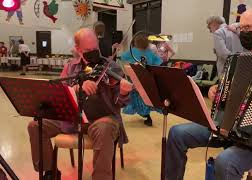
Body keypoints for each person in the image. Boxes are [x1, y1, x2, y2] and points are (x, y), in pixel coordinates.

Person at [165, 7, 252, 180]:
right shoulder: (240, 59)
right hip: (231, 127)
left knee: (226, 162)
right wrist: (217, 93)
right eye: (241, 28)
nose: (242, 33)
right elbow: (228, 95)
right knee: (177, 134)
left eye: (248, 28)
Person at [27, 28, 133, 180]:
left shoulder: (112, 67)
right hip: (73, 118)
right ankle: (50, 172)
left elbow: (121, 102)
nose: (93, 53)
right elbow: (59, 93)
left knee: (104, 128)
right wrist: (76, 88)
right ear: (77, 49)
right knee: (35, 126)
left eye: (95, 48)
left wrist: (123, 93)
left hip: (102, 119)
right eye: (88, 50)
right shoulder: (71, 67)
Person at [120, 34, 162, 126]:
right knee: (145, 98)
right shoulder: (149, 53)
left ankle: (146, 115)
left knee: (137, 98)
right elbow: (158, 62)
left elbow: (122, 57)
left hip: (136, 80)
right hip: (147, 79)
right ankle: (147, 115)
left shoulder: (133, 51)